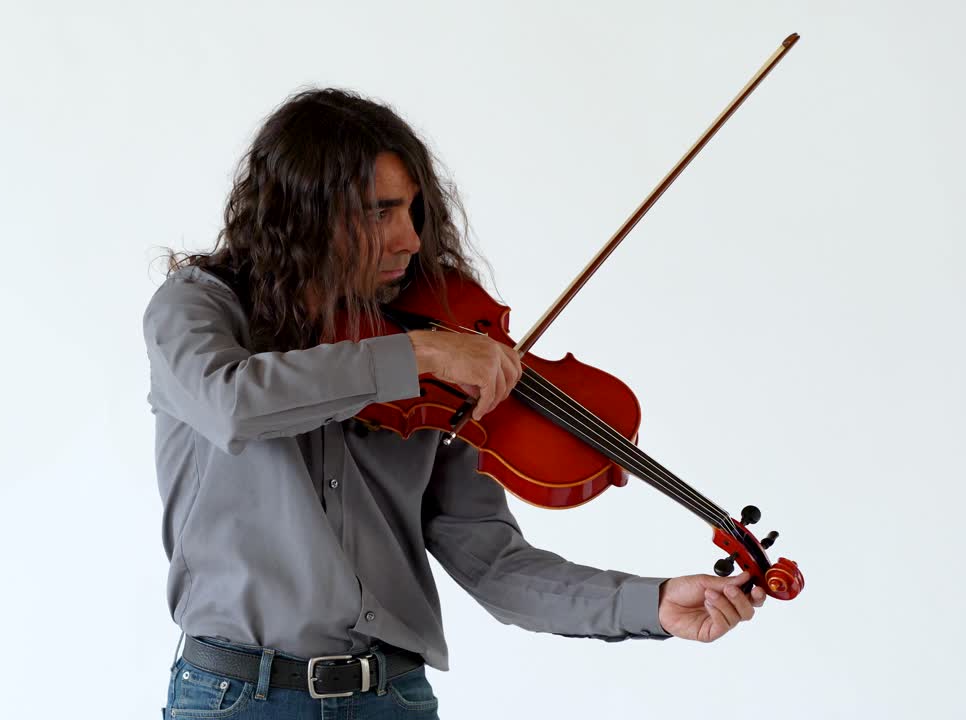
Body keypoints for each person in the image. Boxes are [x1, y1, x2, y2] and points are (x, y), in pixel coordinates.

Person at [143, 88, 766, 719]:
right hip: (237, 700)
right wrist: (416, 356)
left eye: (413, 210)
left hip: (392, 699)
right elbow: (232, 404)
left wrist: (651, 603)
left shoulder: (436, 356)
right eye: (380, 212)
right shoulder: (197, 308)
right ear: (305, 212)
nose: (411, 239)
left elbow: (491, 560)